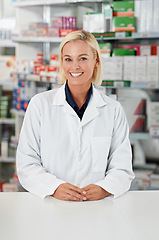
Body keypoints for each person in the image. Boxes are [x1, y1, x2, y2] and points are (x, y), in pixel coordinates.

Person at [16, 30, 134, 201]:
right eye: (68, 59)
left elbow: (122, 168)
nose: (75, 66)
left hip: (97, 208)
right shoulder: (40, 105)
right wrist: (54, 187)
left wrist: (104, 188)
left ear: (96, 61)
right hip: (53, 207)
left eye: (83, 58)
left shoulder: (112, 109)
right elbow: (27, 163)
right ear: (62, 62)